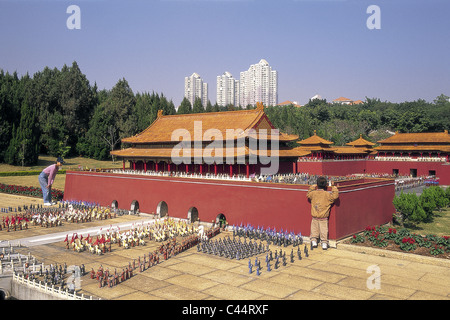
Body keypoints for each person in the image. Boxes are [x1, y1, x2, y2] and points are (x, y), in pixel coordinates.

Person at [306, 176, 339, 250]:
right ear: (326, 185)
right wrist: (333, 187)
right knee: (324, 230)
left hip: (315, 216)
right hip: (323, 217)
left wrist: (313, 186)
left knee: (314, 230)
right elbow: (335, 196)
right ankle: (324, 243)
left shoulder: (313, 193)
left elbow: (308, 194)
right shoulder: (327, 195)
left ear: (317, 184)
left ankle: (314, 241)